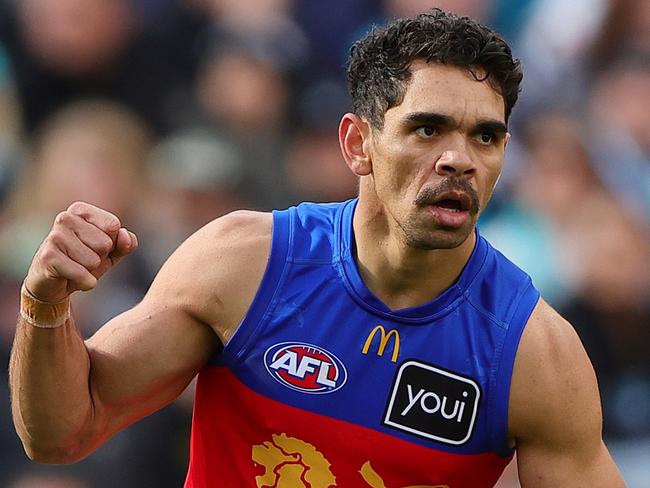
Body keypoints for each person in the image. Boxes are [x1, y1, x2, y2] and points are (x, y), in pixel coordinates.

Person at [10, 9, 624, 487]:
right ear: (358, 144)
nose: (459, 159)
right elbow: (63, 432)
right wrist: (44, 304)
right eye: (427, 128)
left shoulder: (532, 353)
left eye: (485, 137)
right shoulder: (247, 264)